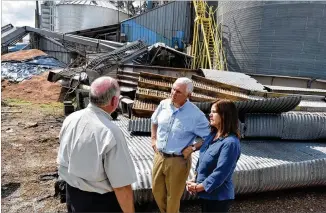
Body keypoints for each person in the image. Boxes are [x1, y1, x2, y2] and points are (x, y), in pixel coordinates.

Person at [57, 76, 137, 213]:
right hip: (100, 203)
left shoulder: (71, 119)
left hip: (73, 195)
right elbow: (122, 187)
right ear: (114, 101)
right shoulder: (111, 133)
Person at [151, 77, 210, 213]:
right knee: (156, 191)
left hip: (178, 160)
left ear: (188, 95)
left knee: (173, 197)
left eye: (178, 92)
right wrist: (153, 139)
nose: (173, 93)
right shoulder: (163, 104)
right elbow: (154, 121)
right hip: (159, 156)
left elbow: (209, 137)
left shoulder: (196, 115)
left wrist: (193, 148)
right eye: (173, 89)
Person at [186, 99, 241, 213]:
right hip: (206, 194)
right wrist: (194, 179)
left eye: (214, 112)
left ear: (225, 115)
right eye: (210, 111)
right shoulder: (212, 136)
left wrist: (198, 187)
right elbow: (202, 159)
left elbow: (221, 173)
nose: (210, 115)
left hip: (218, 197)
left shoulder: (230, 143)